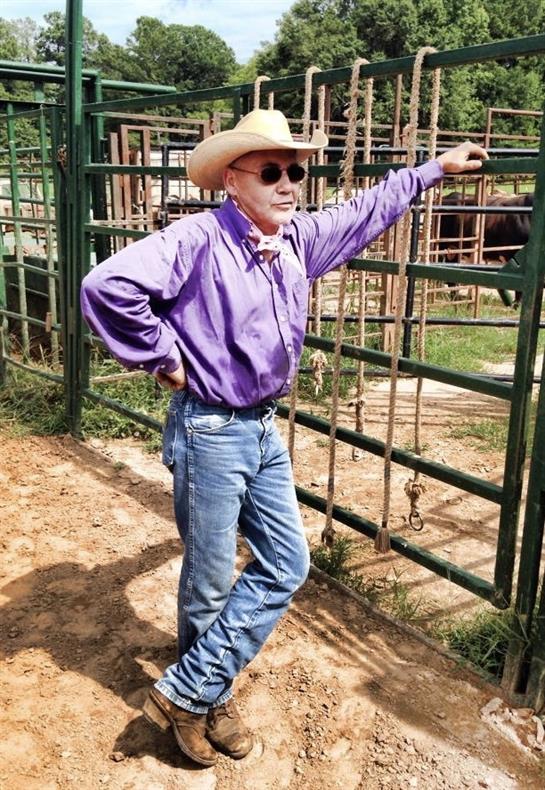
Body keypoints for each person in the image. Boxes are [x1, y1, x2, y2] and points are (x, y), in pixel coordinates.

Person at [80, 109, 487, 766]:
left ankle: (189, 688)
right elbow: (106, 286)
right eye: (271, 171)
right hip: (210, 429)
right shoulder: (195, 240)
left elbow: (363, 212)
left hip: (260, 427)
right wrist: (163, 359)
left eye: (295, 170)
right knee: (211, 580)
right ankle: (205, 704)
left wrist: (432, 170)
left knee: (286, 563)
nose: (289, 182)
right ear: (232, 180)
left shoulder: (297, 240)